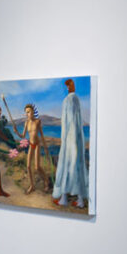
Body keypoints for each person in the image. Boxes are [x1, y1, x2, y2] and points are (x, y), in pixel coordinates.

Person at [52, 78, 89, 210]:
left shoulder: (67, 100)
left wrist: (64, 139)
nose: (68, 88)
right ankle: (80, 200)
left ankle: (64, 199)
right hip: (77, 138)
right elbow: (78, 121)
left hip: (69, 138)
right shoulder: (77, 99)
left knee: (66, 165)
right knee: (77, 166)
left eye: (68, 86)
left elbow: (66, 121)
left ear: (68, 87)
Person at [16, 103, 49, 195]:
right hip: (31, 145)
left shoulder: (38, 121)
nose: (27, 114)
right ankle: (32, 186)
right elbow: (23, 136)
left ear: (33, 112)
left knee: (37, 167)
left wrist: (45, 147)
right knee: (28, 166)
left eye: (29, 112)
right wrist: (16, 132)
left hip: (37, 144)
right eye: (26, 112)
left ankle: (46, 180)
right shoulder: (26, 123)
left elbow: (41, 135)